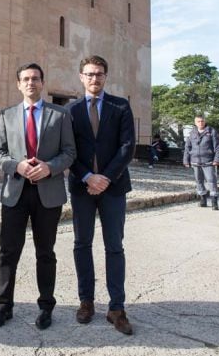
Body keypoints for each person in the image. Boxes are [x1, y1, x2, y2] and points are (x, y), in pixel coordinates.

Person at [0, 63, 76, 331]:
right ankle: (4, 306)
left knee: (45, 252)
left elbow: (70, 151)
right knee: (8, 252)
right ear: (18, 84)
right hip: (15, 191)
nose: (31, 83)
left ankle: (46, 306)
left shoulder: (60, 115)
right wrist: (17, 166)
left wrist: (49, 167)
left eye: (35, 79)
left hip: (47, 192)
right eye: (25, 79)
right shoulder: (7, 115)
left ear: (42, 82)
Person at [68, 55, 136, 335]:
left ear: (106, 77)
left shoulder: (120, 106)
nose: (95, 79)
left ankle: (116, 307)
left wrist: (105, 178)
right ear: (81, 77)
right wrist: (87, 176)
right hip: (82, 187)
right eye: (90, 74)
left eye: (99, 74)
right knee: (82, 244)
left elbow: (127, 146)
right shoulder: (70, 111)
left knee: (114, 246)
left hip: (113, 188)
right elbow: (67, 149)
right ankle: (86, 301)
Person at [183, 115, 219, 210]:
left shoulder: (211, 131)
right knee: (199, 181)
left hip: (208, 161)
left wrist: (217, 159)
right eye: (198, 121)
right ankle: (203, 200)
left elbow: (218, 147)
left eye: (202, 121)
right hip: (195, 161)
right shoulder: (192, 133)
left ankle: (214, 202)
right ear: (195, 122)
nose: (200, 123)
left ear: (205, 121)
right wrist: (186, 160)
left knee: (211, 181)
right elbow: (187, 148)